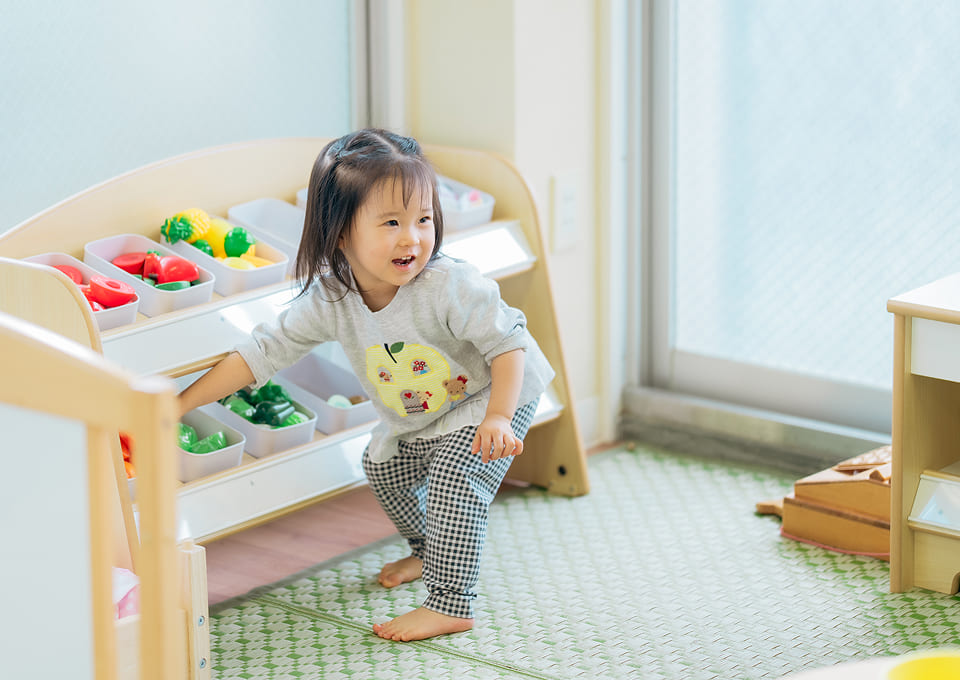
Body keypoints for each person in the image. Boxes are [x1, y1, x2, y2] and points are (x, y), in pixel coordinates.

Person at [177, 128, 554, 642]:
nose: (413, 238)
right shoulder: (331, 297)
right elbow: (262, 352)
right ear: (339, 234)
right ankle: (430, 550)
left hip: (493, 392)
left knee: (453, 480)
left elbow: (509, 344)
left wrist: (498, 417)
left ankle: (450, 602)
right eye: (392, 223)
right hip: (424, 409)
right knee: (384, 467)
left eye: (424, 220)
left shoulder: (449, 284)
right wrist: (178, 405)